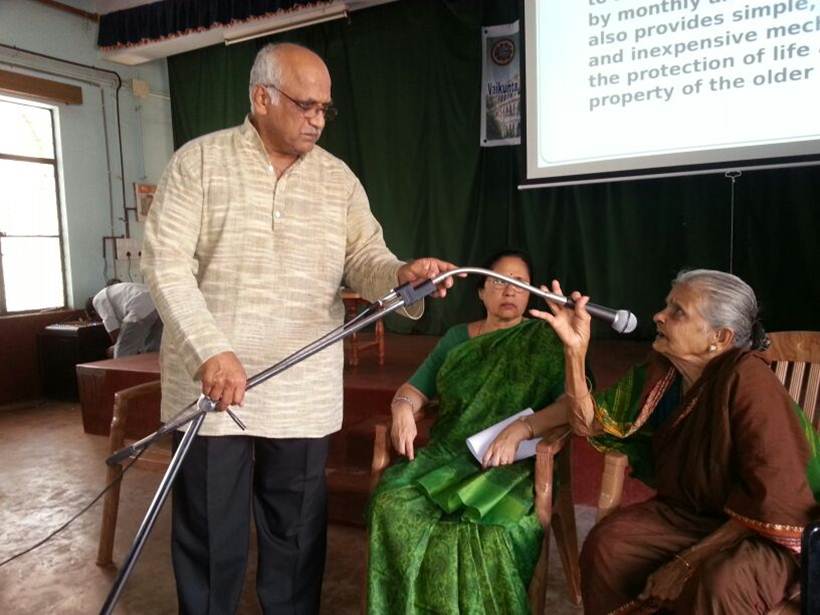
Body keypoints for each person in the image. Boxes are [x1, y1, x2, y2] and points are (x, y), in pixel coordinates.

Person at [141, 43, 457, 615]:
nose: (317, 119)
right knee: (212, 538)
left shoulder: (339, 181)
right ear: (261, 98)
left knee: (295, 539)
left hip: (301, 389)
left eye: (324, 109)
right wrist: (210, 350)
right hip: (212, 388)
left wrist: (402, 275)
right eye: (306, 105)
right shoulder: (199, 162)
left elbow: (368, 259)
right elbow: (164, 263)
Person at [531, 269, 820, 614]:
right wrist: (575, 353)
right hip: (692, 515)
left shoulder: (748, 378)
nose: (659, 315)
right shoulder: (663, 374)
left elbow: (778, 499)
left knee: (720, 583)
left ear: (720, 337)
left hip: (761, 532)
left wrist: (686, 563)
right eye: (667, 306)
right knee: (609, 546)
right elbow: (587, 424)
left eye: (677, 311)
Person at [367, 250, 573, 614]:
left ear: (529, 295)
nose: (509, 291)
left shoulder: (546, 340)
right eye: (498, 282)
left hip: (512, 466)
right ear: (480, 292)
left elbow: (570, 405)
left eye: (519, 284)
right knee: (393, 508)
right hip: (448, 457)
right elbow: (415, 389)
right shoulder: (457, 337)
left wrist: (520, 430)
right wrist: (401, 408)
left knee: (489, 533)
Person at [90, 279, 162, 358]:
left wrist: (116, 347)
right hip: (159, 304)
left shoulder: (97, 300)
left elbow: (113, 329)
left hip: (140, 306)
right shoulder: (115, 291)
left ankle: (121, 370)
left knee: (123, 352)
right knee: (153, 349)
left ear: (93, 312)